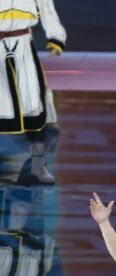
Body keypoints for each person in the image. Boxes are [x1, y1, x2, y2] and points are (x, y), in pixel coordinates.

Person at [0, 0, 65, 184]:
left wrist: (55, 37)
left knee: (32, 102)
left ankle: (38, 166)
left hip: (23, 44)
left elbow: (46, 7)